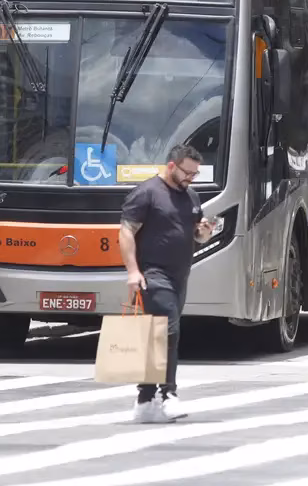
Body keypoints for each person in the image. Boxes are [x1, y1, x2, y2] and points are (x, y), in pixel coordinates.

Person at [118, 143, 213, 423]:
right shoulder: (146, 193)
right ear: (172, 166)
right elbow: (125, 234)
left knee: (155, 337)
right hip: (153, 274)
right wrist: (133, 272)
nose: (191, 178)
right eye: (187, 172)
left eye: (195, 174)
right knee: (169, 331)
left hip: (179, 275)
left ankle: (145, 400)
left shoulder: (191, 196)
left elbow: (196, 235)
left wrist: (204, 232)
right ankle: (168, 394)